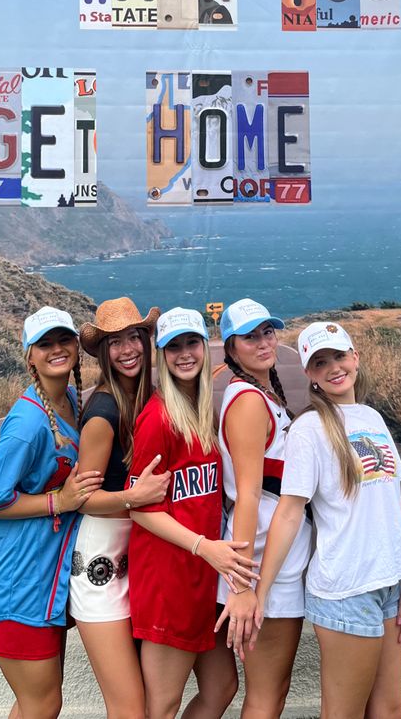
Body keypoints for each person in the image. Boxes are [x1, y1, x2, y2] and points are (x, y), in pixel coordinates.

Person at [251, 321, 401, 719]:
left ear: (355, 358)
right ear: (309, 373)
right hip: (347, 589)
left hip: (389, 584)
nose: (333, 368)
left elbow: (394, 504)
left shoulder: (373, 419)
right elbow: (290, 512)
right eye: (320, 362)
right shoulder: (309, 429)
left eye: (339, 356)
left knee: (391, 708)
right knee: (344, 712)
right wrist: (262, 590)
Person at [0, 306, 104, 719]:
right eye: (44, 344)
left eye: (64, 340)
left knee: (37, 703)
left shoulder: (73, 403)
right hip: (17, 583)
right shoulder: (28, 423)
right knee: (43, 703)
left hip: (44, 584)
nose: (57, 349)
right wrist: (57, 502)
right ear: (30, 356)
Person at [128, 307, 258, 719]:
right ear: (161, 356)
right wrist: (206, 548)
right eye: (173, 347)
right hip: (170, 582)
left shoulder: (203, 411)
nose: (184, 354)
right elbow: (141, 510)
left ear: (206, 347)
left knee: (222, 687)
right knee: (162, 706)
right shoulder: (158, 417)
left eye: (192, 343)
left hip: (204, 581)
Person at [71, 297, 171, 719]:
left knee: (149, 702)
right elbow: (83, 499)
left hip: (139, 560)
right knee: (129, 708)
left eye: (135, 337)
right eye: (115, 342)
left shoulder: (148, 399)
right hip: (100, 567)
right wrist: (136, 498)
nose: (128, 348)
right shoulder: (103, 411)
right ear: (103, 353)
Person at [214, 299, 312, 718]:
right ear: (232, 349)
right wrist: (242, 587)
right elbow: (249, 494)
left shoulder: (261, 394)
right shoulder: (249, 401)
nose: (262, 342)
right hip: (261, 565)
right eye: (249, 337)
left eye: (267, 332)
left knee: (273, 688)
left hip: (273, 561)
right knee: (266, 694)